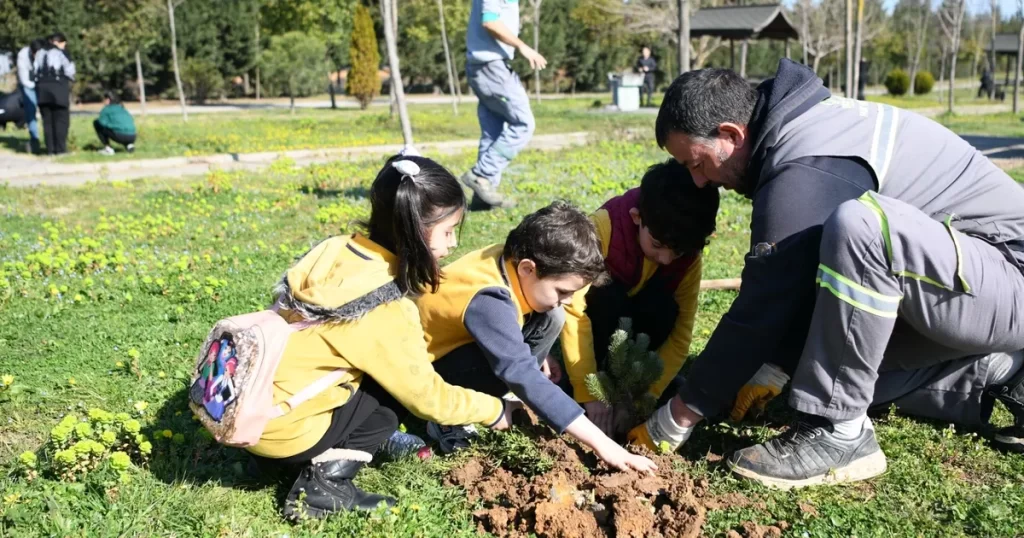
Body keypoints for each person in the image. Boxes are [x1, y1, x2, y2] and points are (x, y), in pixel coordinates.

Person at [629, 60, 1024, 489]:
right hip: (959, 291)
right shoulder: (793, 129)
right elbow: (801, 280)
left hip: (1008, 275)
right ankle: (1000, 372)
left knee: (863, 229)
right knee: (829, 373)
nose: (699, 181)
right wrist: (773, 368)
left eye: (696, 163)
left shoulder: (808, 162)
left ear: (731, 135)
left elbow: (768, 299)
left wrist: (681, 414)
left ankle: (840, 434)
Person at [250, 153, 518, 519]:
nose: (453, 243)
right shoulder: (385, 306)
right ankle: (325, 488)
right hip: (281, 428)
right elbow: (429, 399)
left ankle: (294, 450)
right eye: (447, 231)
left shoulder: (338, 247)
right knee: (391, 392)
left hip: (252, 398)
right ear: (413, 230)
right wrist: (496, 410)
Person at [412, 201, 658, 473]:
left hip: (456, 346)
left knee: (554, 316)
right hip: (426, 371)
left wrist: (540, 354)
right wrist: (604, 445)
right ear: (528, 268)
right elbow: (518, 370)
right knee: (521, 368)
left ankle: (506, 397)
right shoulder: (488, 299)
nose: (567, 300)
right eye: (563, 291)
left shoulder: (508, 262)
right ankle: (448, 420)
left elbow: (514, 321)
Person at [560, 160, 719, 435]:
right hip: (601, 318)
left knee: (665, 308)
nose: (667, 259)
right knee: (606, 294)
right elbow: (573, 312)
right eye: (657, 245)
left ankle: (635, 382)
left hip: (641, 332)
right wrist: (588, 390)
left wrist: (646, 396)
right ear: (637, 217)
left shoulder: (688, 257)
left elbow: (681, 333)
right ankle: (592, 376)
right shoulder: (602, 229)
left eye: (678, 252)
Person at [460, 0, 547, 210]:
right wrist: (522, 46)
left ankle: (482, 199)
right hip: (491, 66)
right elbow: (489, 21)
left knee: (492, 132)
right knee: (524, 124)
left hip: (483, 65)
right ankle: (482, 175)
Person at [34, 33, 75, 155]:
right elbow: (70, 71)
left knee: (47, 120)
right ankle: (61, 150)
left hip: (42, 90)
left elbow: (35, 71)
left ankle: (50, 149)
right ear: (58, 42)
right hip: (58, 89)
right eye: (64, 43)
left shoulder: (40, 53)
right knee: (61, 120)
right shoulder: (62, 53)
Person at [16, 39, 45, 154]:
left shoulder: (43, 53)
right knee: (31, 109)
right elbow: (24, 80)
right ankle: (35, 138)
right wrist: (36, 85)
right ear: (32, 52)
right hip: (28, 84)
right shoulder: (22, 56)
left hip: (41, 81)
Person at [94, 91, 136, 155]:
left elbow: (102, 123)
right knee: (122, 128)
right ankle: (129, 145)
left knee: (96, 123)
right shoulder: (122, 109)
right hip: (133, 136)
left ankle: (108, 148)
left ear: (108, 100)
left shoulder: (106, 109)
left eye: (104, 99)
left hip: (120, 136)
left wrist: (109, 125)